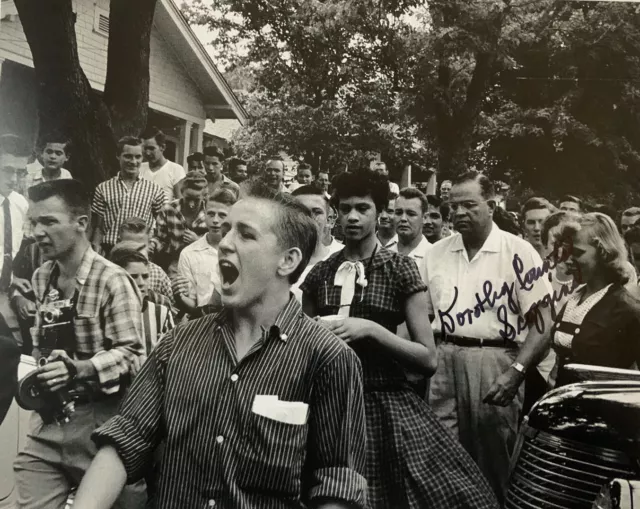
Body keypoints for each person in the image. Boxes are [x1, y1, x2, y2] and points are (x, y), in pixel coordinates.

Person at [73, 180, 368, 509]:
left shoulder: (329, 359)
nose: (224, 243)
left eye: (245, 234)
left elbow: (336, 481)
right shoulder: (178, 342)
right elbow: (126, 439)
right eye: (225, 230)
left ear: (287, 261)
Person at [301, 169, 499, 509]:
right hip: (329, 407)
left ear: (381, 213)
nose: (352, 216)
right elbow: (301, 349)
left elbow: (427, 358)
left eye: (362, 208)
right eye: (345, 208)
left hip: (383, 405)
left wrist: (372, 330)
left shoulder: (399, 269)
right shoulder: (320, 273)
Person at [13, 179, 146, 509]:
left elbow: (133, 356)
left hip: (104, 425)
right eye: (33, 222)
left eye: (49, 221)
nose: (36, 232)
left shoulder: (112, 279)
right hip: (52, 420)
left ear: (81, 223)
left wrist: (80, 369)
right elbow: (47, 346)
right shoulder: (44, 276)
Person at [424, 171, 554, 503]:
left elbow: (543, 325)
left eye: (470, 205)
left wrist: (517, 373)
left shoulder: (519, 252)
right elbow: (423, 315)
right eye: (454, 206)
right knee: (440, 461)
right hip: (443, 360)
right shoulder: (436, 253)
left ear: (491, 205)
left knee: (493, 463)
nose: (460, 213)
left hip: (496, 361)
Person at [517, 213, 640, 390]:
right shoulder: (575, 298)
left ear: (604, 253)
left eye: (578, 253)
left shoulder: (626, 308)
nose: (568, 261)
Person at [91, 136, 167, 258]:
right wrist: (95, 248)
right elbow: (98, 227)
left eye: (138, 157)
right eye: (128, 156)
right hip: (110, 251)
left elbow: (162, 227)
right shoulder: (103, 188)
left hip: (140, 251)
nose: (133, 161)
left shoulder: (154, 189)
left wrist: (152, 243)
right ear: (118, 156)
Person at [173, 188, 237, 318]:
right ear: (204, 213)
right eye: (211, 214)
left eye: (222, 215)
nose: (215, 220)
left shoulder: (241, 251)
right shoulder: (189, 253)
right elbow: (192, 304)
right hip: (204, 324)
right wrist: (179, 296)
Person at [110, 243, 174, 355]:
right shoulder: (106, 312)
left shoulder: (161, 313)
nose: (141, 283)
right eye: (133, 277)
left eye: (145, 277)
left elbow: (173, 354)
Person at [0, 134, 30, 347]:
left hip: (3, 292)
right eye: (7, 170)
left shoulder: (20, 204)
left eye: (20, 173)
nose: (14, 179)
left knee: (15, 349)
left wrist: (10, 277)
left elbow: (7, 250)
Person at [290, 184, 343, 302]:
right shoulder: (275, 261)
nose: (309, 217)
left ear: (328, 219)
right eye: (301, 211)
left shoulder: (344, 259)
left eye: (317, 212)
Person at [150, 170, 209, 275]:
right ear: (182, 193)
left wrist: (198, 241)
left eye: (196, 200)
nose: (191, 204)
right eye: (188, 199)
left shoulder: (210, 213)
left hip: (202, 266)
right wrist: (153, 245)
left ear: (204, 196)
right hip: (173, 265)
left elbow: (216, 243)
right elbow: (159, 238)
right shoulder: (168, 209)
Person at [118, 218, 174, 306]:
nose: (134, 251)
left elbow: (172, 307)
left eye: (140, 247)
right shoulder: (110, 270)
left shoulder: (158, 274)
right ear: (118, 243)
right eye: (129, 245)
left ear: (149, 245)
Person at [395, 187, 432, 282]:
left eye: (411, 214)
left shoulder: (434, 255)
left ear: (424, 218)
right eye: (398, 213)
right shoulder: (383, 252)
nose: (403, 218)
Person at [139, 128, 186, 202]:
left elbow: (180, 202)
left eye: (151, 148)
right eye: (145, 148)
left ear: (162, 147)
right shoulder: (139, 168)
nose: (147, 153)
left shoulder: (176, 170)